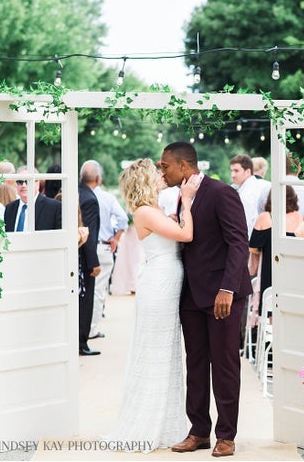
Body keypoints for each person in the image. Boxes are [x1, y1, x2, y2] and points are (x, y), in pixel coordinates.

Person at [160, 142, 251, 458]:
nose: (163, 170)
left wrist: (227, 289)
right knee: (195, 364)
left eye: (166, 165)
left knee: (225, 365)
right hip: (191, 295)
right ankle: (199, 431)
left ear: (184, 166)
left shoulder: (222, 192)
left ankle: (226, 435)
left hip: (222, 295)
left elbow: (239, 243)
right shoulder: (179, 196)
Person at [104, 158, 199, 452]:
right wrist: (187, 201)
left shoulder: (154, 210)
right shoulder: (145, 211)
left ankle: (165, 424)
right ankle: (146, 423)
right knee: (155, 351)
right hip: (158, 285)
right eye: (156, 172)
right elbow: (186, 235)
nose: (162, 175)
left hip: (167, 282)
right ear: (145, 180)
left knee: (166, 352)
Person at [84, 160, 128, 340]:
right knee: (98, 291)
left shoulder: (76, 194)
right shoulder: (107, 198)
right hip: (102, 248)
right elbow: (123, 219)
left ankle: (81, 328)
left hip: (81, 248)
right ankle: (91, 330)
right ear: (98, 178)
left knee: (82, 291)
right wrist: (115, 239)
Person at [78, 161, 102, 356]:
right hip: (84, 259)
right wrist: (93, 262)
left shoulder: (75, 192)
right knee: (86, 301)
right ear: (98, 178)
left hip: (74, 255)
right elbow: (89, 234)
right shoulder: (90, 200)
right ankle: (82, 343)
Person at [3, 167, 62, 232]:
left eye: (28, 181)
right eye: (20, 181)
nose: (24, 185)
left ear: (37, 183)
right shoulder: (10, 208)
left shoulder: (54, 207)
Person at [230, 154, 259, 237]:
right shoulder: (254, 186)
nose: (233, 175)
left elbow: (244, 223)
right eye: (231, 171)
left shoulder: (248, 194)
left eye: (236, 171)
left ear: (248, 172)